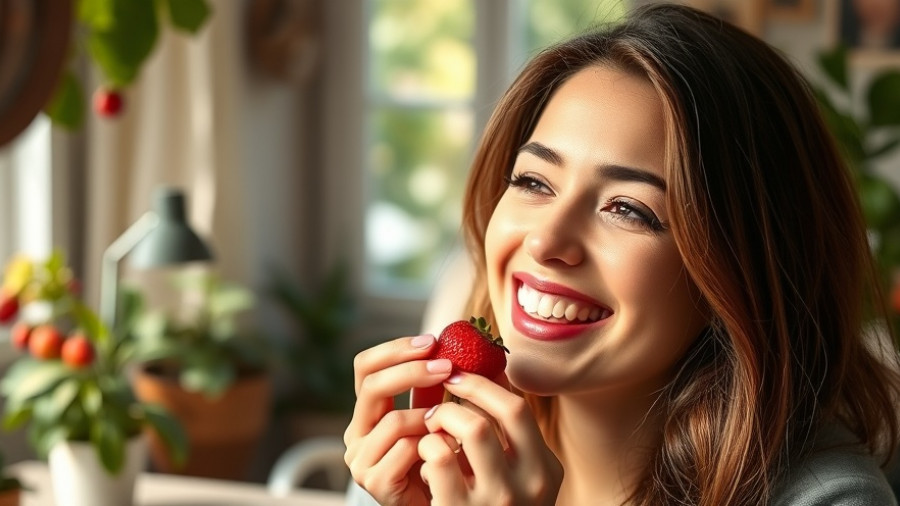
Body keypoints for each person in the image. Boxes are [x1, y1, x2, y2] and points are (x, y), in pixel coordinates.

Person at [343, 3, 900, 504]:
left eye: (629, 209)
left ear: (745, 269)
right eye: (535, 181)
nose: (545, 241)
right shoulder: (428, 450)